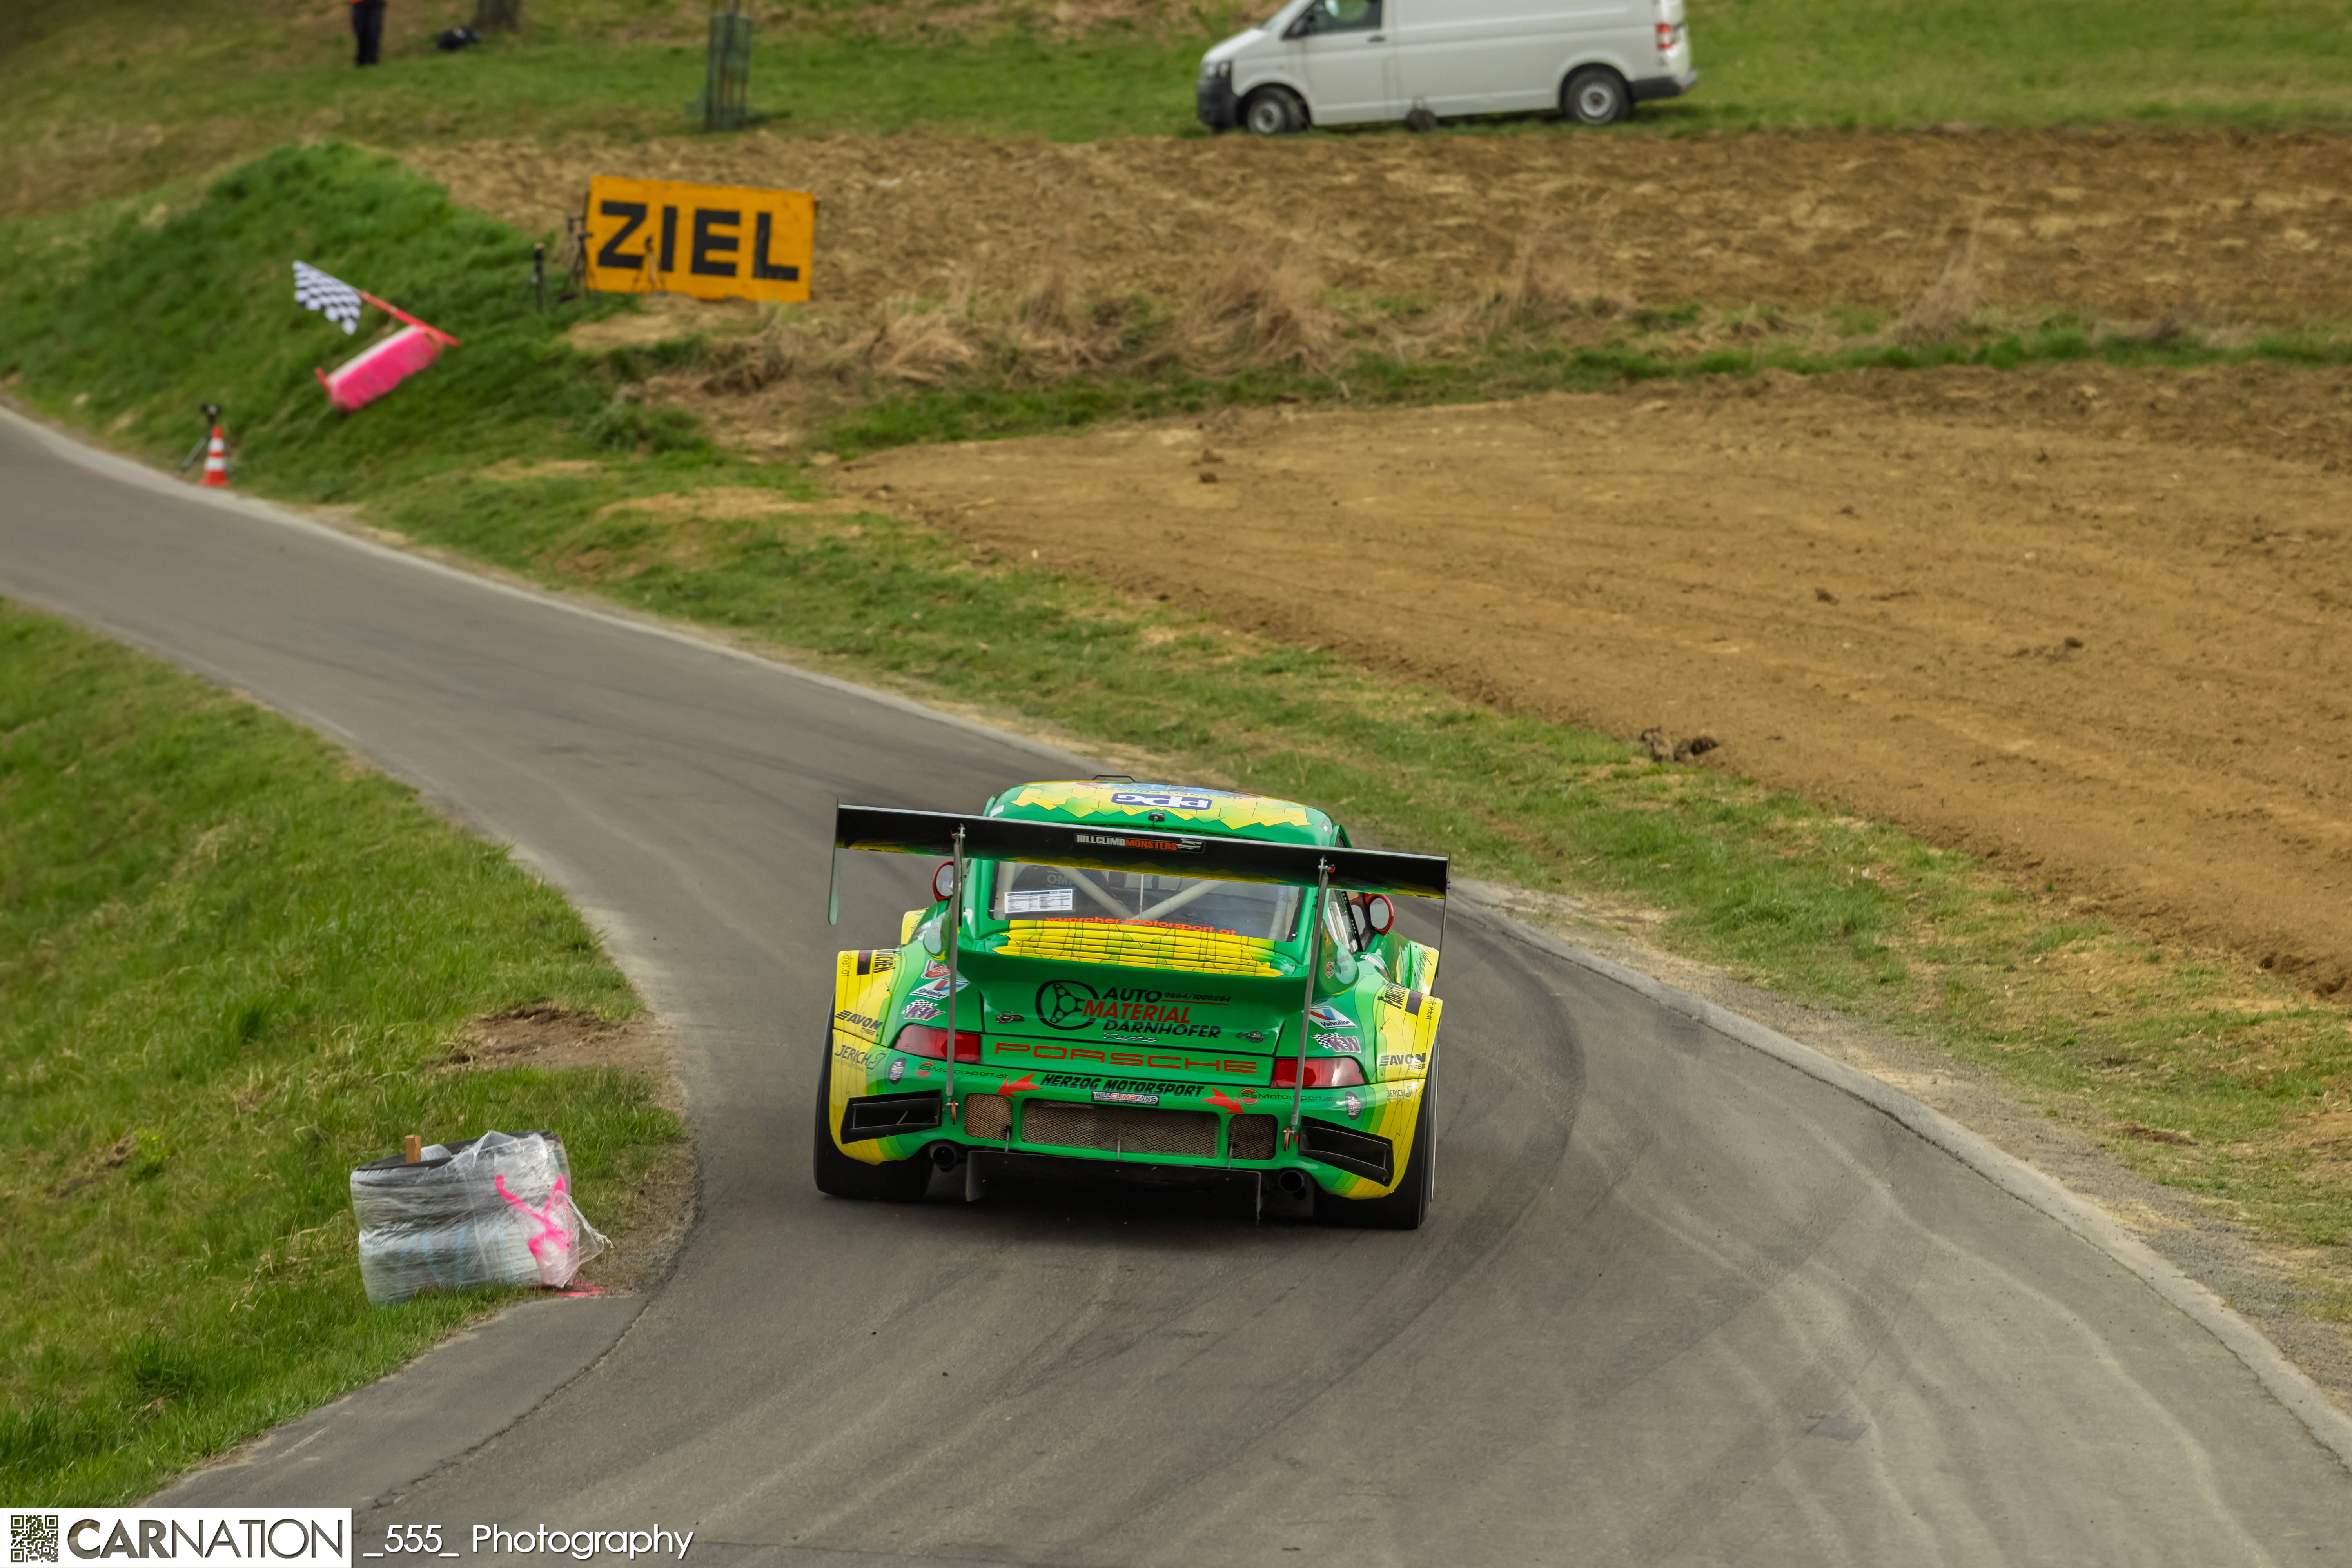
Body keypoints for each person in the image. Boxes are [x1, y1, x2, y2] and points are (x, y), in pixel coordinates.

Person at [350, 0, 386, 67]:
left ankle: (372, 61)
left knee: (374, 31)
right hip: (359, 3)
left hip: (376, 3)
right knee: (361, 32)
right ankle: (361, 62)